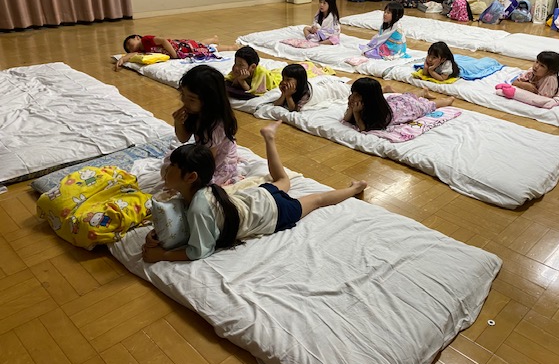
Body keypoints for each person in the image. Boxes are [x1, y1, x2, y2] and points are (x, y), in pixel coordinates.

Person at [142, 121, 367, 262]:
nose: (166, 168)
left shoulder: (199, 207)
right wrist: (161, 234)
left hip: (273, 211)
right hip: (257, 196)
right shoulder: (198, 192)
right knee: (283, 180)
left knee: (318, 199)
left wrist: (164, 255)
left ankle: (356, 188)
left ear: (191, 177)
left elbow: (199, 251)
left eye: (172, 166)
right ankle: (269, 137)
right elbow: (182, 222)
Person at [172, 65, 239, 185]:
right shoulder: (194, 111)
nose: (184, 101)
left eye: (191, 99)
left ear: (209, 101)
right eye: (183, 95)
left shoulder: (216, 126)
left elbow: (208, 162)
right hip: (205, 152)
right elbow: (183, 138)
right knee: (171, 165)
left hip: (218, 162)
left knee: (198, 184)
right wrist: (178, 122)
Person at [343, 77, 454, 132]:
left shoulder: (377, 111)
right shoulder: (358, 102)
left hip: (403, 110)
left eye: (356, 94)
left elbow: (363, 129)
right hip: (396, 104)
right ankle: (423, 92)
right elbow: (346, 119)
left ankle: (448, 100)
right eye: (353, 93)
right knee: (406, 97)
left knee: (425, 105)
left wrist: (356, 113)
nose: (353, 96)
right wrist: (351, 108)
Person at [114, 34, 237, 70]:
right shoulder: (142, 50)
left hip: (178, 47)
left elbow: (163, 41)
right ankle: (213, 39)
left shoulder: (146, 40)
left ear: (137, 38)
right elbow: (132, 55)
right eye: (128, 48)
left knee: (203, 49)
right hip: (178, 49)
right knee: (198, 45)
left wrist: (173, 54)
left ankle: (230, 47)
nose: (130, 48)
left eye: (130, 43)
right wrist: (123, 59)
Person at [495, 51, 559, 108]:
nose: (536, 66)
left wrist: (529, 90)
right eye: (537, 62)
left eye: (542, 65)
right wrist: (523, 84)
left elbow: (544, 99)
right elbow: (515, 82)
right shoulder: (532, 71)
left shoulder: (550, 79)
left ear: (550, 71)